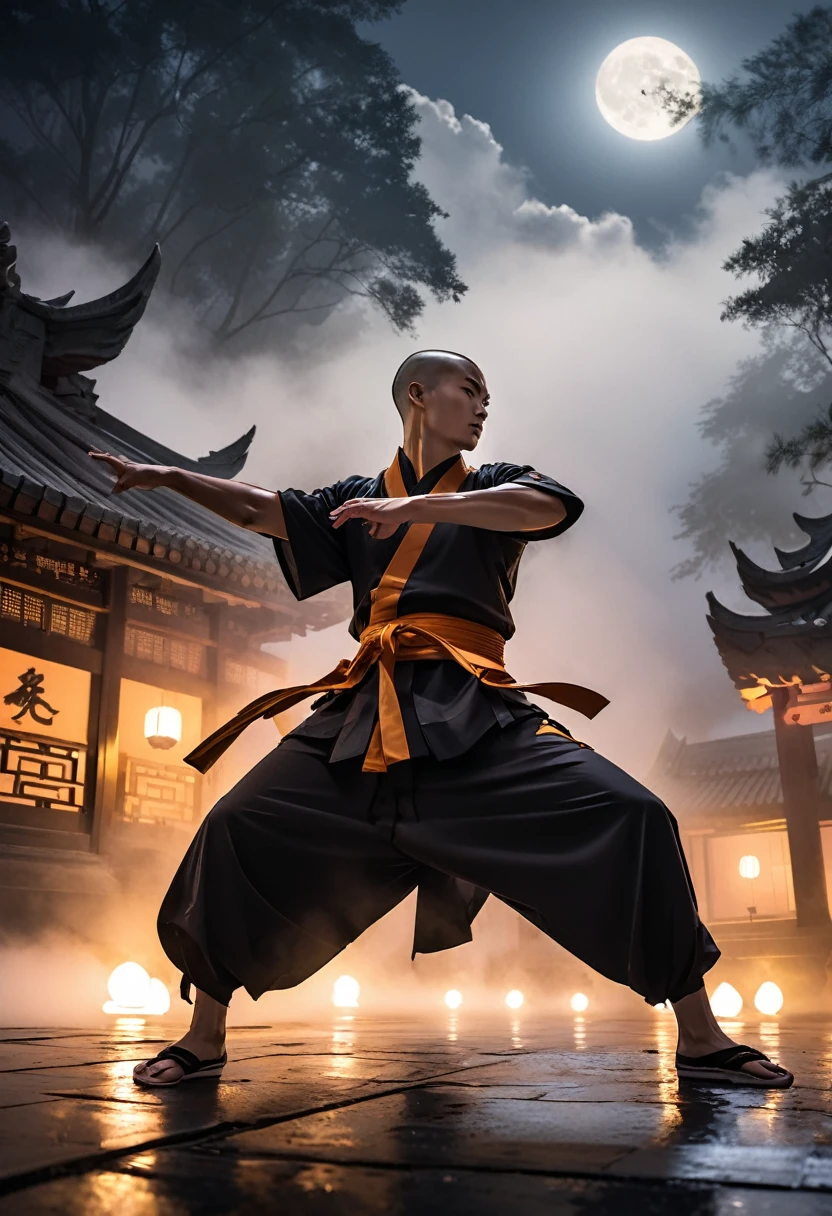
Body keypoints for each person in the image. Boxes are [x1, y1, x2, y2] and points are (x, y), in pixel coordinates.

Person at [90, 350, 793, 1090]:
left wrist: (418, 509)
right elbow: (259, 508)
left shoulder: (494, 486)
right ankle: (203, 1037)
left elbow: (546, 509)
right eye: (472, 390)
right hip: (365, 707)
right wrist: (170, 478)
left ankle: (703, 1037)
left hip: (474, 706)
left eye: (488, 395)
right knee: (234, 824)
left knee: (635, 814)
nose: (485, 406)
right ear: (419, 395)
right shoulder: (358, 497)